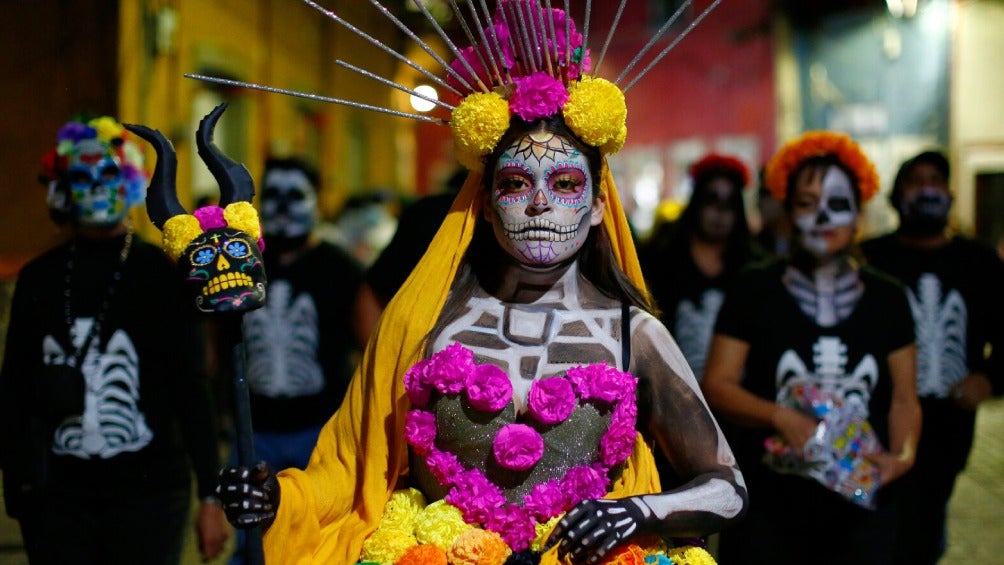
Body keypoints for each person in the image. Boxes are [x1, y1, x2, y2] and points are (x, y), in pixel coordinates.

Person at [214, 3, 747, 565]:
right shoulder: (425, 323)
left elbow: (728, 487)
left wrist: (637, 511)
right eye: (516, 182)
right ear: (487, 205)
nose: (539, 203)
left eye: (566, 183)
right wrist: (277, 499)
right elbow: (348, 470)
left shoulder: (632, 334)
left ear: (597, 206)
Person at [0, 116, 228, 564]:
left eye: (108, 173)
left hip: (149, 495)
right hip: (57, 499)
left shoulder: (163, 275)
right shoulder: (39, 279)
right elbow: (15, 389)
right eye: (81, 177)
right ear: (63, 190)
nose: (96, 187)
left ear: (130, 181)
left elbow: (191, 387)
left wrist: (210, 496)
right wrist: (18, 489)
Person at [701, 131, 922, 564]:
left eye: (837, 203)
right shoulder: (754, 288)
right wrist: (779, 416)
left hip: (862, 508)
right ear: (787, 213)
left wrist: (902, 457)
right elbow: (717, 384)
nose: (823, 216)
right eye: (806, 203)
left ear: (858, 214)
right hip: (771, 506)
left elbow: (904, 397)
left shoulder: (889, 298)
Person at [860, 150, 1004, 564]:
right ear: (896, 195)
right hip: (878, 421)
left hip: (948, 424)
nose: (926, 190)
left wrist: (989, 378)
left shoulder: (980, 261)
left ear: (950, 194)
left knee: (925, 528)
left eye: (936, 181)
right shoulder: (870, 259)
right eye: (916, 181)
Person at [227, 156, 367, 562]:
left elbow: (371, 346)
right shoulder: (241, 265)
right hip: (254, 430)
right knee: (251, 539)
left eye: (296, 196)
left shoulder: (340, 268)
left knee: (317, 534)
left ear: (317, 201)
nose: (284, 207)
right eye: (273, 195)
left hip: (320, 432)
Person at [639, 153, 755, 383]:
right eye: (712, 200)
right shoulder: (662, 259)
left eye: (730, 204)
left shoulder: (752, 265)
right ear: (697, 202)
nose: (720, 212)